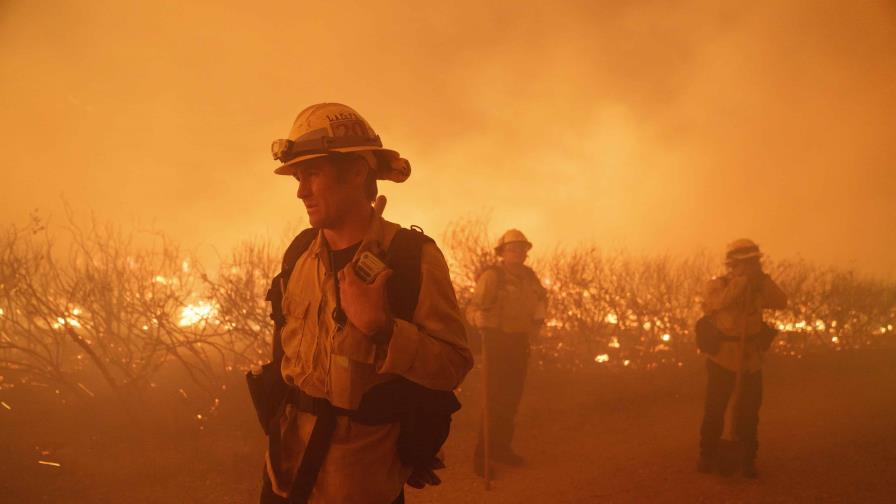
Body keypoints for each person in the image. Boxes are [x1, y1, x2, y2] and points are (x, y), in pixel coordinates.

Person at [258, 103, 473, 503]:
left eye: (313, 174)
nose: (301, 190)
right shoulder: (299, 254)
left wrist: (383, 329)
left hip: (359, 482)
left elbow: (453, 363)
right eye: (298, 177)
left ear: (357, 171)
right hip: (285, 471)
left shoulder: (412, 257)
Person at [697, 238, 787, 478]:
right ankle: (708, 455)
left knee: (750, 412)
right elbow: (715, 304)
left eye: (753, 263)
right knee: (715, 409)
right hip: (722, 359)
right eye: (744, 264)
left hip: (750, 361)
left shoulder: (759, 287)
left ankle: (747, 460)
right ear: (732, 265)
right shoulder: (717, 285)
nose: (749, 268)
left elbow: (781, 302)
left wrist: (763, 281)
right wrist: (740, 284)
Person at [466, 229, 546, 475]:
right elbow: (472, 308)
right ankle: (482, 456)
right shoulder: (492, 277)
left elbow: (541, 298)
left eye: (522, 249)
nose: (518, 253)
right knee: (494, 399)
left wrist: (539, 315)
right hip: (496, 342)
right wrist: (476, 317)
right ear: (503, 252)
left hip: (519, 343)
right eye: (513, 248)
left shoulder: (529, 277)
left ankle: (501, 448)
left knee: (511, 399)